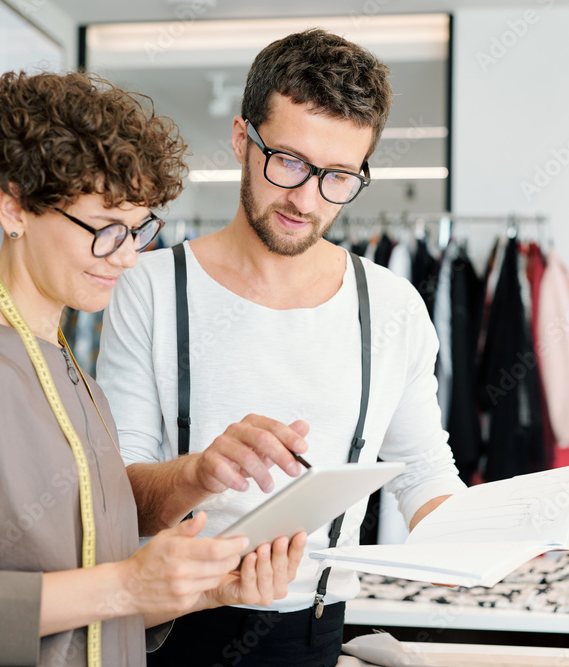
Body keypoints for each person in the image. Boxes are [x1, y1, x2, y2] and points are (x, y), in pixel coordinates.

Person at [0, 70, 305, 667]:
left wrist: (211, 591)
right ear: (14, 207)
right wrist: (128, 584)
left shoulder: (69, 371)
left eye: (137, 231)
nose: (128, 257)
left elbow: (81, 604)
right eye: (105, 229)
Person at [97, 29, 466, 665]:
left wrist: (494, 535)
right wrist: (198, 471)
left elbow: (426, 472)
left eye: (339, 176)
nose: (307, 198)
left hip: (317, 635)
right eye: (289, 161)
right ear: (243, 138)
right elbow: (116, 498)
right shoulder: (150, 287)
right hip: (172, 632)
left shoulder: (392, 306)